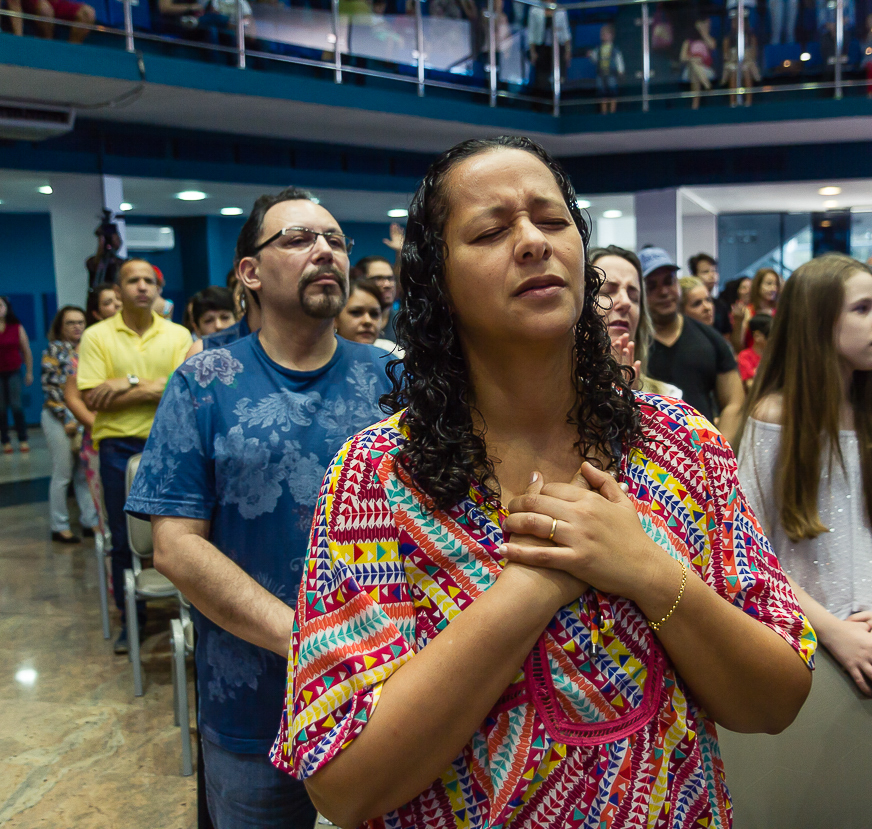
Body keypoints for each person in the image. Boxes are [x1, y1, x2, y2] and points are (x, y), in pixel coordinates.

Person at [271, 137, 814, 829]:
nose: (531, 241)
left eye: (552, 221)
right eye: (492, 230)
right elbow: (342, 786)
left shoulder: (679, 442)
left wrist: (646, 568)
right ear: (437, 280)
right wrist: (538, 583)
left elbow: (776, 700)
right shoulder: (376, 477)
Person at [125, 186, 395, 829]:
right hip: (253, 704)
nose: (324, 251)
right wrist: (304, 642)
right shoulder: (205, 380)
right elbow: (176, 545)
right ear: (249, 272)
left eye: (335, 240)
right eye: (299, 239)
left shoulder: (388, 381)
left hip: (383, 699)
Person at [737, 253, 872, 695]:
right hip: (807, 642)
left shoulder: (867, 412)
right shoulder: (775, 418)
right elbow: (750, 552)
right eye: (862, 309)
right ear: (818, 321)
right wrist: (834, 632)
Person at [76, 260, 192, 653]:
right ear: (120, 289)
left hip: (170, 443)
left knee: (182, 533)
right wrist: (154, 385)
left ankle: (188, 611)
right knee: (125, 539)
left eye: (149, 281)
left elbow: (183, 389)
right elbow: (92, 395)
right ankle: (133, 622)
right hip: (118, 446)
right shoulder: (96, 336)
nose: (142, 287)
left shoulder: (178, 334)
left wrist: (124, 385)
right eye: (133, 281)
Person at [642, 246, 745, 444]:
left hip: (703, 455)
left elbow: (734, 401)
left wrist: (718, 451)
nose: (663, 292)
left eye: (668, 281)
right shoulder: (631, 343)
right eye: (652, 286)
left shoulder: (709, 338)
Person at [64, 283, 123, 547]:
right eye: (109, 302)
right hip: (102, 439)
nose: (117, 306)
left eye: (119, 300)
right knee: (111, 518)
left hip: (140, 436)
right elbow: (73, 396)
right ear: (97, 312)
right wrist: (102, 426)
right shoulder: (86, 345)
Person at [41, 305, 99, 544]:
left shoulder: (90, 348)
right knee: (63, 473)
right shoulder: (54, 351)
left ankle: (90, 521)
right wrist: (68, 419)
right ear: (60, 327)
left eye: (80, 322)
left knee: (84, 473)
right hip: (58, 417)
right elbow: (51, 389)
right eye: (70, 323)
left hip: (84, 416)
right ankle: (59, 525)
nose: (77, 327)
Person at [590, 245, 680, 396]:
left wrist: (636, 404)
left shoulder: (668, 396)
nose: (626, 302)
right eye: (607, 291)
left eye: (634, 297)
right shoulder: (547, 392)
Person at [0, 295, 34, 454]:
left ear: (6, 308)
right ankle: (5, 440)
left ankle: (23, 438)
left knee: (16, 405)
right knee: (0, 407)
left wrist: (29, 372)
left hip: (14, 370)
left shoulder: (16, 326)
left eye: (0, 305)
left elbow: (26, 350)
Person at [527, 3, 571, 95]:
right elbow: (531, 33)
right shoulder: (534, 10)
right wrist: (532, 51)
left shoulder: (561, 11)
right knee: (541, 79)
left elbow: (566, 33)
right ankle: (538, 106)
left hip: (557, 48)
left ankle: (555, 105)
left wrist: (568, 51)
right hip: (541, 48)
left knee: (559, 78)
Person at [3, 0, 96, 43]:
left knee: (88, 13)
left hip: (57, 3)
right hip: (34, 2)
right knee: (45, 10)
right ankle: (48, 45)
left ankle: (71, 51)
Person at [335, 277, 383, 345]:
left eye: (374, 314)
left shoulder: (392, 353)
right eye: (356, 313)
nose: (367, 321)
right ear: (335, 319)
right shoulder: (319, 354)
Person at [680, 19, 716, 109]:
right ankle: (707, 86)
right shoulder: (689, 41)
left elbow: (712, 46)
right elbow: (682, 57)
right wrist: (693, 59)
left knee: (695, 71)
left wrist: (704, 33)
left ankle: (695, 105)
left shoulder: (709, 40)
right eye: (704, 25)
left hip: (706, 69)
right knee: (693, 65)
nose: (706, 27)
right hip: (689, 70)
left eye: (708, 25)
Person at [590, 23, 624, 114]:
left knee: (612, 92)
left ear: (611, 36)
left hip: (611, 74)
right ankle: (604, 112)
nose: (603, 36)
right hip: (601, 74)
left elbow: (618, 59)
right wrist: (591, 55)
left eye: (606, 34)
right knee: (602, 93)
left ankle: (612, 111)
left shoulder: (614, 49)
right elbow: (595, 59)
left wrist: (620, 70)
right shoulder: (599, 49)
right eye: (602, 34)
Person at [737, 313, 771, 390]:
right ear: (757, 336)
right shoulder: (744, 356)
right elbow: (748, 383)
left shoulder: (774, 355)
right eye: (770, 336)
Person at [714, 275, 752, 344]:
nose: (748, 291)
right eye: (744, 288)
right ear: (737, 291)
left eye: (751, 287)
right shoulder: (732, 309)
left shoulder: (756, 308)